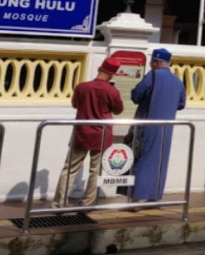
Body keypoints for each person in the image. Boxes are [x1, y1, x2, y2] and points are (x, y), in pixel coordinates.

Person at [53, 57, 124, 208]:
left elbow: (74, 104)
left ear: (99, 69)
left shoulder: (81, 87)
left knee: (70, 168)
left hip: (82, 132)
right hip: (102, 135)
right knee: (95, 170)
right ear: (112, 75)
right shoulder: (112, 91)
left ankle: (59, 203)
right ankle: (88, 203)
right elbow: (118, 110)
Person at [128, 48, 186, 202]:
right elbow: (181, 104)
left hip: (147, 125)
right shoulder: (177, 81)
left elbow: (136, 96)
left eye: (151, 62)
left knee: (143, 158)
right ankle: (155, 196)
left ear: (156, 62)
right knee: (161, 160)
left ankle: (137, 197)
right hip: (167, 127)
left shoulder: (151, 76)